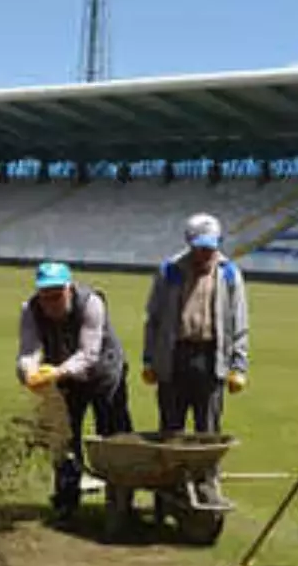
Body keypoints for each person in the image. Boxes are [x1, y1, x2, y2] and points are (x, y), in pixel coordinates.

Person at [140, 213, 249, 500]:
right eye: (200, 247)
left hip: (211, 358)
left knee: (208, 431)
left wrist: (239, 366)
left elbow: (239, 323)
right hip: (174, 356)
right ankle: (167, 489)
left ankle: (206, 485)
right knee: (171, 429)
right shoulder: (169, 271)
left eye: (210, 246)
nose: (205, 252)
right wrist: (149, 360)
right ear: (189, 244)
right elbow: (153, 318)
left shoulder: (229, 273)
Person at [16, 261, 134, 522]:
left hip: (104, 373)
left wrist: (57, 372)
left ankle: (120, 501)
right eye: (45, 296)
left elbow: (89, 353)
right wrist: (30, 372)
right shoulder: (31, 310)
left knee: (113, 437)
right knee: (64, 437)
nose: (50, 303)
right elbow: (28, 350)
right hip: (66, 377)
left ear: (69, 289)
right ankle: (66, 500)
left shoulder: (91, 303)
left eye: (57, 295)